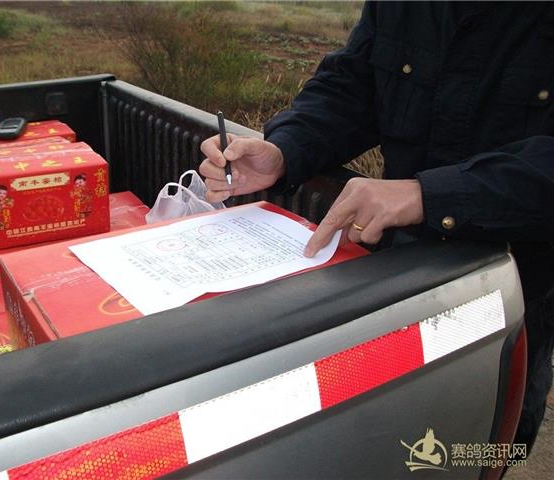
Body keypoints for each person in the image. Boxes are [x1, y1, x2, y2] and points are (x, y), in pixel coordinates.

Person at [200, 2, 553, 455]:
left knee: (481, 444)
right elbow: (352, 88)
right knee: (390, 440)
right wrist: (286, 149)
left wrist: (428, 195)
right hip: (395, 281)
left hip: (513, 298)